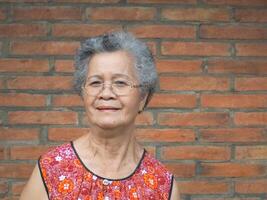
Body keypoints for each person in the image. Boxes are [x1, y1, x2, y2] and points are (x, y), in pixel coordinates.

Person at [20, 31, 180, 200]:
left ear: (142, 97)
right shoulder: (51, 170)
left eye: (120, 83)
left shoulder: (162, 185)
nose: (106, 93)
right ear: (83, 93)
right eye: (95, 82)